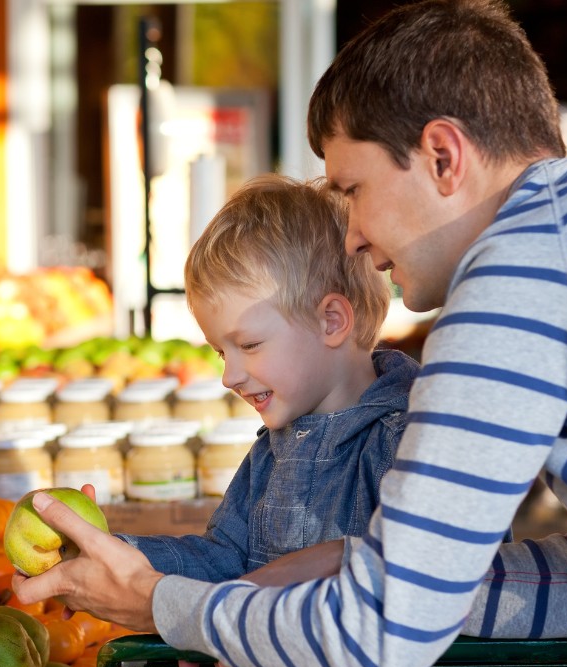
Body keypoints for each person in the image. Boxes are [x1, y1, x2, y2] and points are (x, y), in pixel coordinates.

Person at [15, 1, 567, 667]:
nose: (349, 236)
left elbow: (379, 636)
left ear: (443, 156)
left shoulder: (520, 275)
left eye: (352, 189)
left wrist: (161, 602)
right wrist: (362, 564)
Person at [117, 173, 419, 581]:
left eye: (251, 345)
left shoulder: (408, 444)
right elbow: (222, 560)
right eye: (222, 352)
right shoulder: (269, 454)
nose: (229, 376)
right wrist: (116, 554)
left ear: (331, 321)